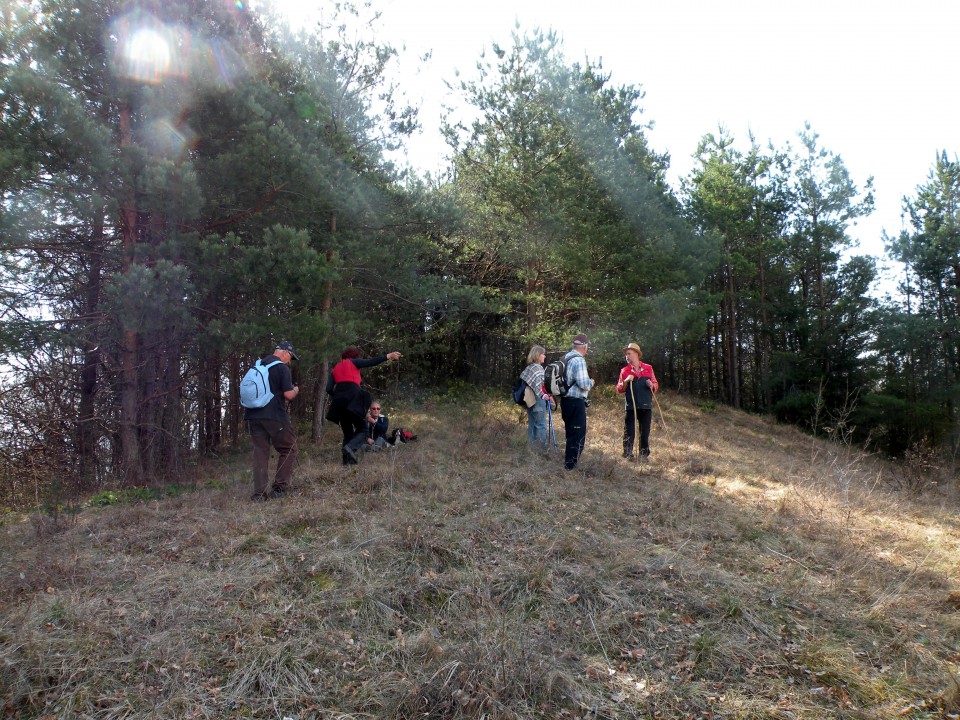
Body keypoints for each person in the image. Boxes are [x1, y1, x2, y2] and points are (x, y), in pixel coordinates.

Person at [325, 347, 401, 465]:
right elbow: (371, 362)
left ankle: (347, 464)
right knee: (363, 430)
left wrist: (338, 396)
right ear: (354, 357)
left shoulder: (335, 369)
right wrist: (388, 356)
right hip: (353, 400)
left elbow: (328, 389)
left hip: (339, 404)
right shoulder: (353, 362)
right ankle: (350, 448)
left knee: (348, 433)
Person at [245, 340, 300, 501]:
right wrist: (296, 389)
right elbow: (288, 395)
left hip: (253, 415)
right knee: (289, 448)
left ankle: (259, 495)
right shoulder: (281, 368)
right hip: (275, 416)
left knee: (260, 453)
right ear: (284, 352)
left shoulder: (258, 365)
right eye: (290, 357)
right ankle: (279, 489)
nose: (289, 361)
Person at [616, 342, 659, 459]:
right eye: (626, 354)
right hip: (631, 406)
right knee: (629, 431)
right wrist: (625, 381)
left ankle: (643, 455)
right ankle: (627, 454)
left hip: (646, 405)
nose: (627, 356)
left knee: (644, 433)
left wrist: (652, 384)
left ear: (636, 354)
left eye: (629, 353)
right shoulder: (624, 370)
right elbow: (620, 389)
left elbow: (655, 384)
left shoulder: (648, 368)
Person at [560, 334, 594, 470]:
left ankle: (568, 463)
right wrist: (591, 382)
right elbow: (583, 384)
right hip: (575, 402)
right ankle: (570, 467)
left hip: (565, 401)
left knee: (570, 434)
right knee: (577, 435)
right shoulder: (579, 360)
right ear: (584, 347)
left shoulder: (565, 357)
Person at [520, 344, 552, 447]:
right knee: (541, 425)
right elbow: (539, 387)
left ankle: (531, 447)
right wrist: (544, 396)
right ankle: (542, 449)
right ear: (537, 355)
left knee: (532, 424)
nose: (545, 356)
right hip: (538, 400)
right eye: (543, 354)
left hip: (530, 400)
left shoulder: (530, 367)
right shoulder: (538, 369)